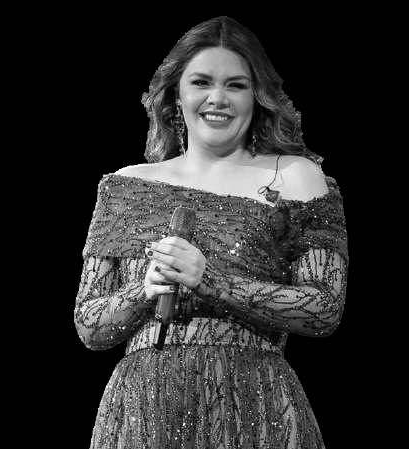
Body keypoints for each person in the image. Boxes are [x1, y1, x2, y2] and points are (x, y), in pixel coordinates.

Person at [75, 16, 348, 449]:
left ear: (257, 96)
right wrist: (144, 290)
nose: (217, 98)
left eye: (236, 85)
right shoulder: (126, 186)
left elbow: (324, 308)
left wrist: (212, 281)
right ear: (176, 94)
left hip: (255, 403)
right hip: (143, 409)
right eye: (201, 82)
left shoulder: (294, 177)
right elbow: (90, 327)